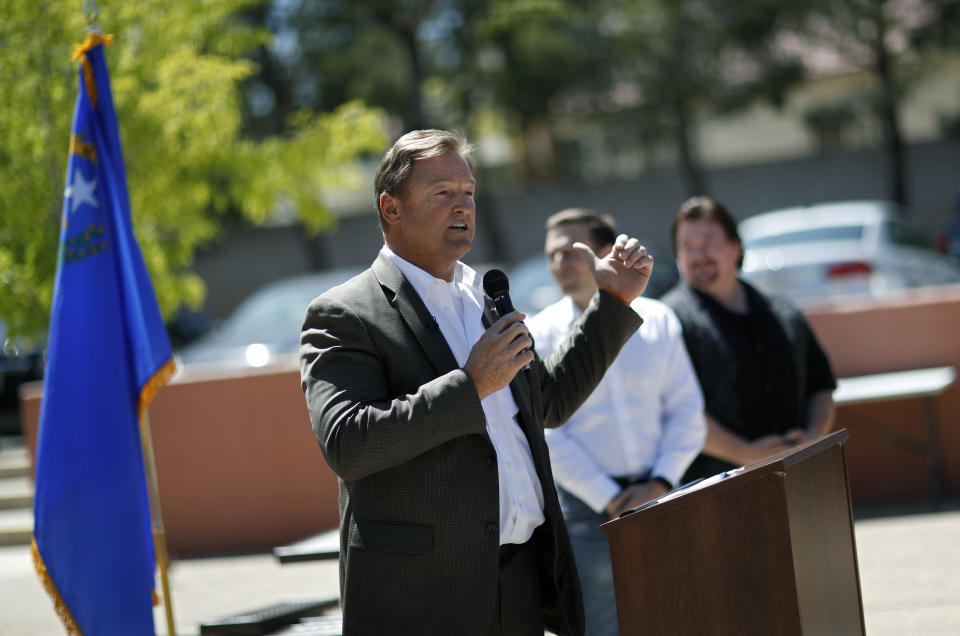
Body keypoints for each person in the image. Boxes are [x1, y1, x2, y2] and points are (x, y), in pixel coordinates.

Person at [299, 129, 654, 636]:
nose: (461, 205)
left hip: (522, 583)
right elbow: (349, 443)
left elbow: (545, 402)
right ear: (391, 208)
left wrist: (612, 305)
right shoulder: (345, 313)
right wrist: (470, 385)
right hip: (425, 597)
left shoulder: (485, 295)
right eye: (442, 192)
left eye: (468, 192)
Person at [527, 209, 706, 636]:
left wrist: (660, 482)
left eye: (571, 252)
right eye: (552, 255)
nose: (559, 264)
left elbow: (687, 413)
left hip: (666, 497)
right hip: (587, 513)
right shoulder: (540, 330)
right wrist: (612, 499)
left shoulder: (659, 318)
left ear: (607, 252)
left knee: (679, 616)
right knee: (602, 629)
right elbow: (547, 433)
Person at [661, 196, 837, 484]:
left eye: (708, 242)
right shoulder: (668, 321)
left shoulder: (783, 311)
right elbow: (676, 411)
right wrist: (747, 454)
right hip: (713, 488)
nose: (698, 255)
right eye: (687, 247)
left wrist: (814, 438)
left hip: (798, 477)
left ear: (735, 247)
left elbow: (821, 385)